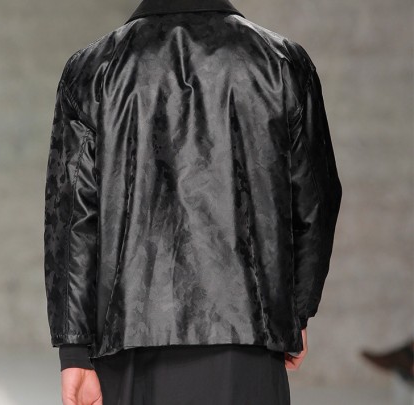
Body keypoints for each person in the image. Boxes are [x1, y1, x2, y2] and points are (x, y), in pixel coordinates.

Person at [43, 0, 343, 403]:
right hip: (249, 336)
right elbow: (316, 200)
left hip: (126, 340)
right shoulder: (281, 63)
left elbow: (71, 217)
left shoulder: (92, 70)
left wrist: (75, 350)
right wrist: (297, 310)